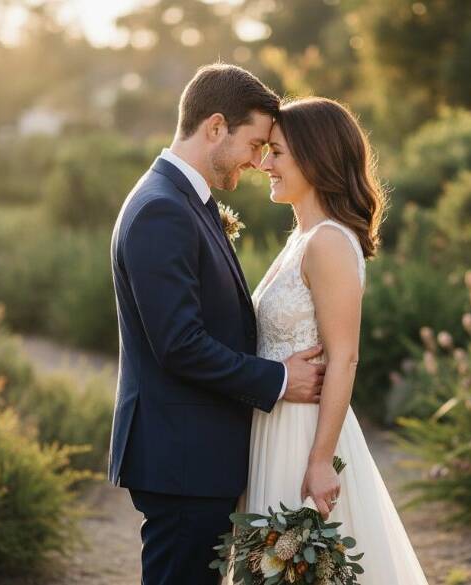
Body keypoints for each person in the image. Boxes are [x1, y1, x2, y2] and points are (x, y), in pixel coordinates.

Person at [107, 64, 327, 585]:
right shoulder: (162, 209)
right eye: (254, 144)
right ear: (214, 127)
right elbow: (179, 344)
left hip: (194, 453)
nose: (257, 161)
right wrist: (277, 380)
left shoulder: (183, 201)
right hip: (183, 457)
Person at [229, 96, 430, 583]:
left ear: (315, 158)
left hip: (303, 436)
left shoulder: (330, 242)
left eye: (276, 153)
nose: (263, 164)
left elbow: (345, 359)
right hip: (272, 427)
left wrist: (319, 461)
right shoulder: (302, 236)